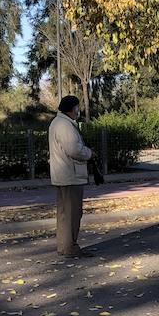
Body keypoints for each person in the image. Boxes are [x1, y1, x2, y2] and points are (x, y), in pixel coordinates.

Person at [49, 95, 94, 258]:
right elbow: (74, 149)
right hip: (71, 174)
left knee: (63, 214)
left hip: (62, 174)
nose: (78, 111)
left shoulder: (57, 123)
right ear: (72, 108)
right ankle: (70, 247)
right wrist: (89, 153)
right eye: (77, 108)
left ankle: (64, 246)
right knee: (73, 213)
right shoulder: (65, 125)